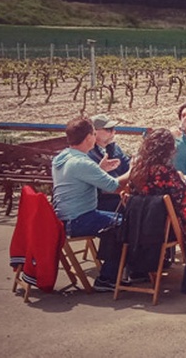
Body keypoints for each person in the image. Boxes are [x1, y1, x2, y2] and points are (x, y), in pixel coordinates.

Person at [51, 116, 131, 292]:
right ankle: (108, 278)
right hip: (78, 219)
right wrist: (135, 170)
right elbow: (114, 186)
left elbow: (80, 179)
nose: (95, 138)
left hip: (64, 218)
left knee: (118, 221)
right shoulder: (83, 162)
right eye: (94, 134)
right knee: (123, 224)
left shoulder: (63, 157)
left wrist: (100, 170)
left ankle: (112, 272)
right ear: (88, 138)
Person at [129, 129, 186, 250]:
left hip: (137, 226)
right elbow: (185, 200)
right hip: (164, 228)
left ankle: (164, 256)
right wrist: (180, 179)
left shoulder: (136, 171)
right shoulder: (167, 173)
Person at [87, 114, 131, 212]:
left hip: (120, 195)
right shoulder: (88, 154)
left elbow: (127, 166)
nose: (113, 132)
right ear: (94, 132)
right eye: (108, 129)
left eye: (113, 129)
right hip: (103, 202)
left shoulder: (114, 148)